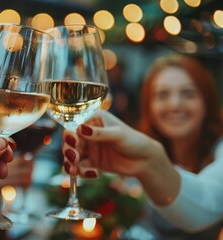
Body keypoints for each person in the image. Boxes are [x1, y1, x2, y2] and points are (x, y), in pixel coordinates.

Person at [62, 56, 223, 237]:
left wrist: (149, 163)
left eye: (188, 94)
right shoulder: (132, 150)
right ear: (149, 105)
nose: (175, 105)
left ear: (207, 102)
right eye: (162, 95)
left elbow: (210, 203)